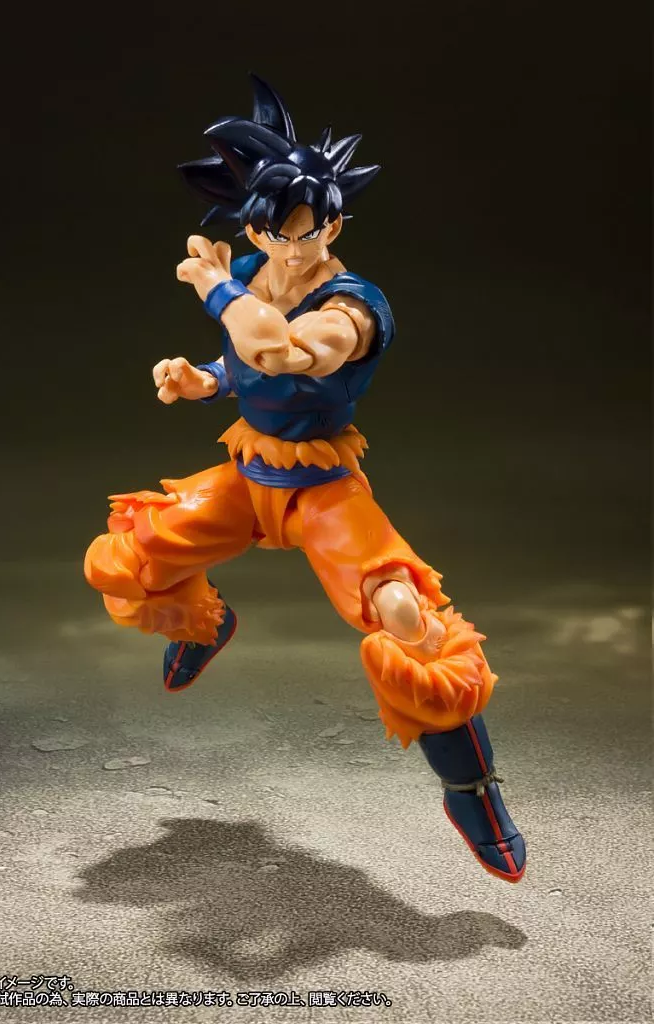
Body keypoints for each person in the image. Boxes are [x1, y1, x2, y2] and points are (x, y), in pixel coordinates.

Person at [84, 75, 526, 882]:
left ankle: (474, 790)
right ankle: (205, 625)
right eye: (276, 230)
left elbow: (280, 352)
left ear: (334, 220)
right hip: (249, 471)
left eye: (309, 229)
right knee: (131, 551)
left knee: (403, 614)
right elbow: (243, 364)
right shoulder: (259, 275)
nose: (294, 247)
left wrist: (213, 287)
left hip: (321, 490)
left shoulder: (354, 305)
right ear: (252, 224)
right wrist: (202, 382)